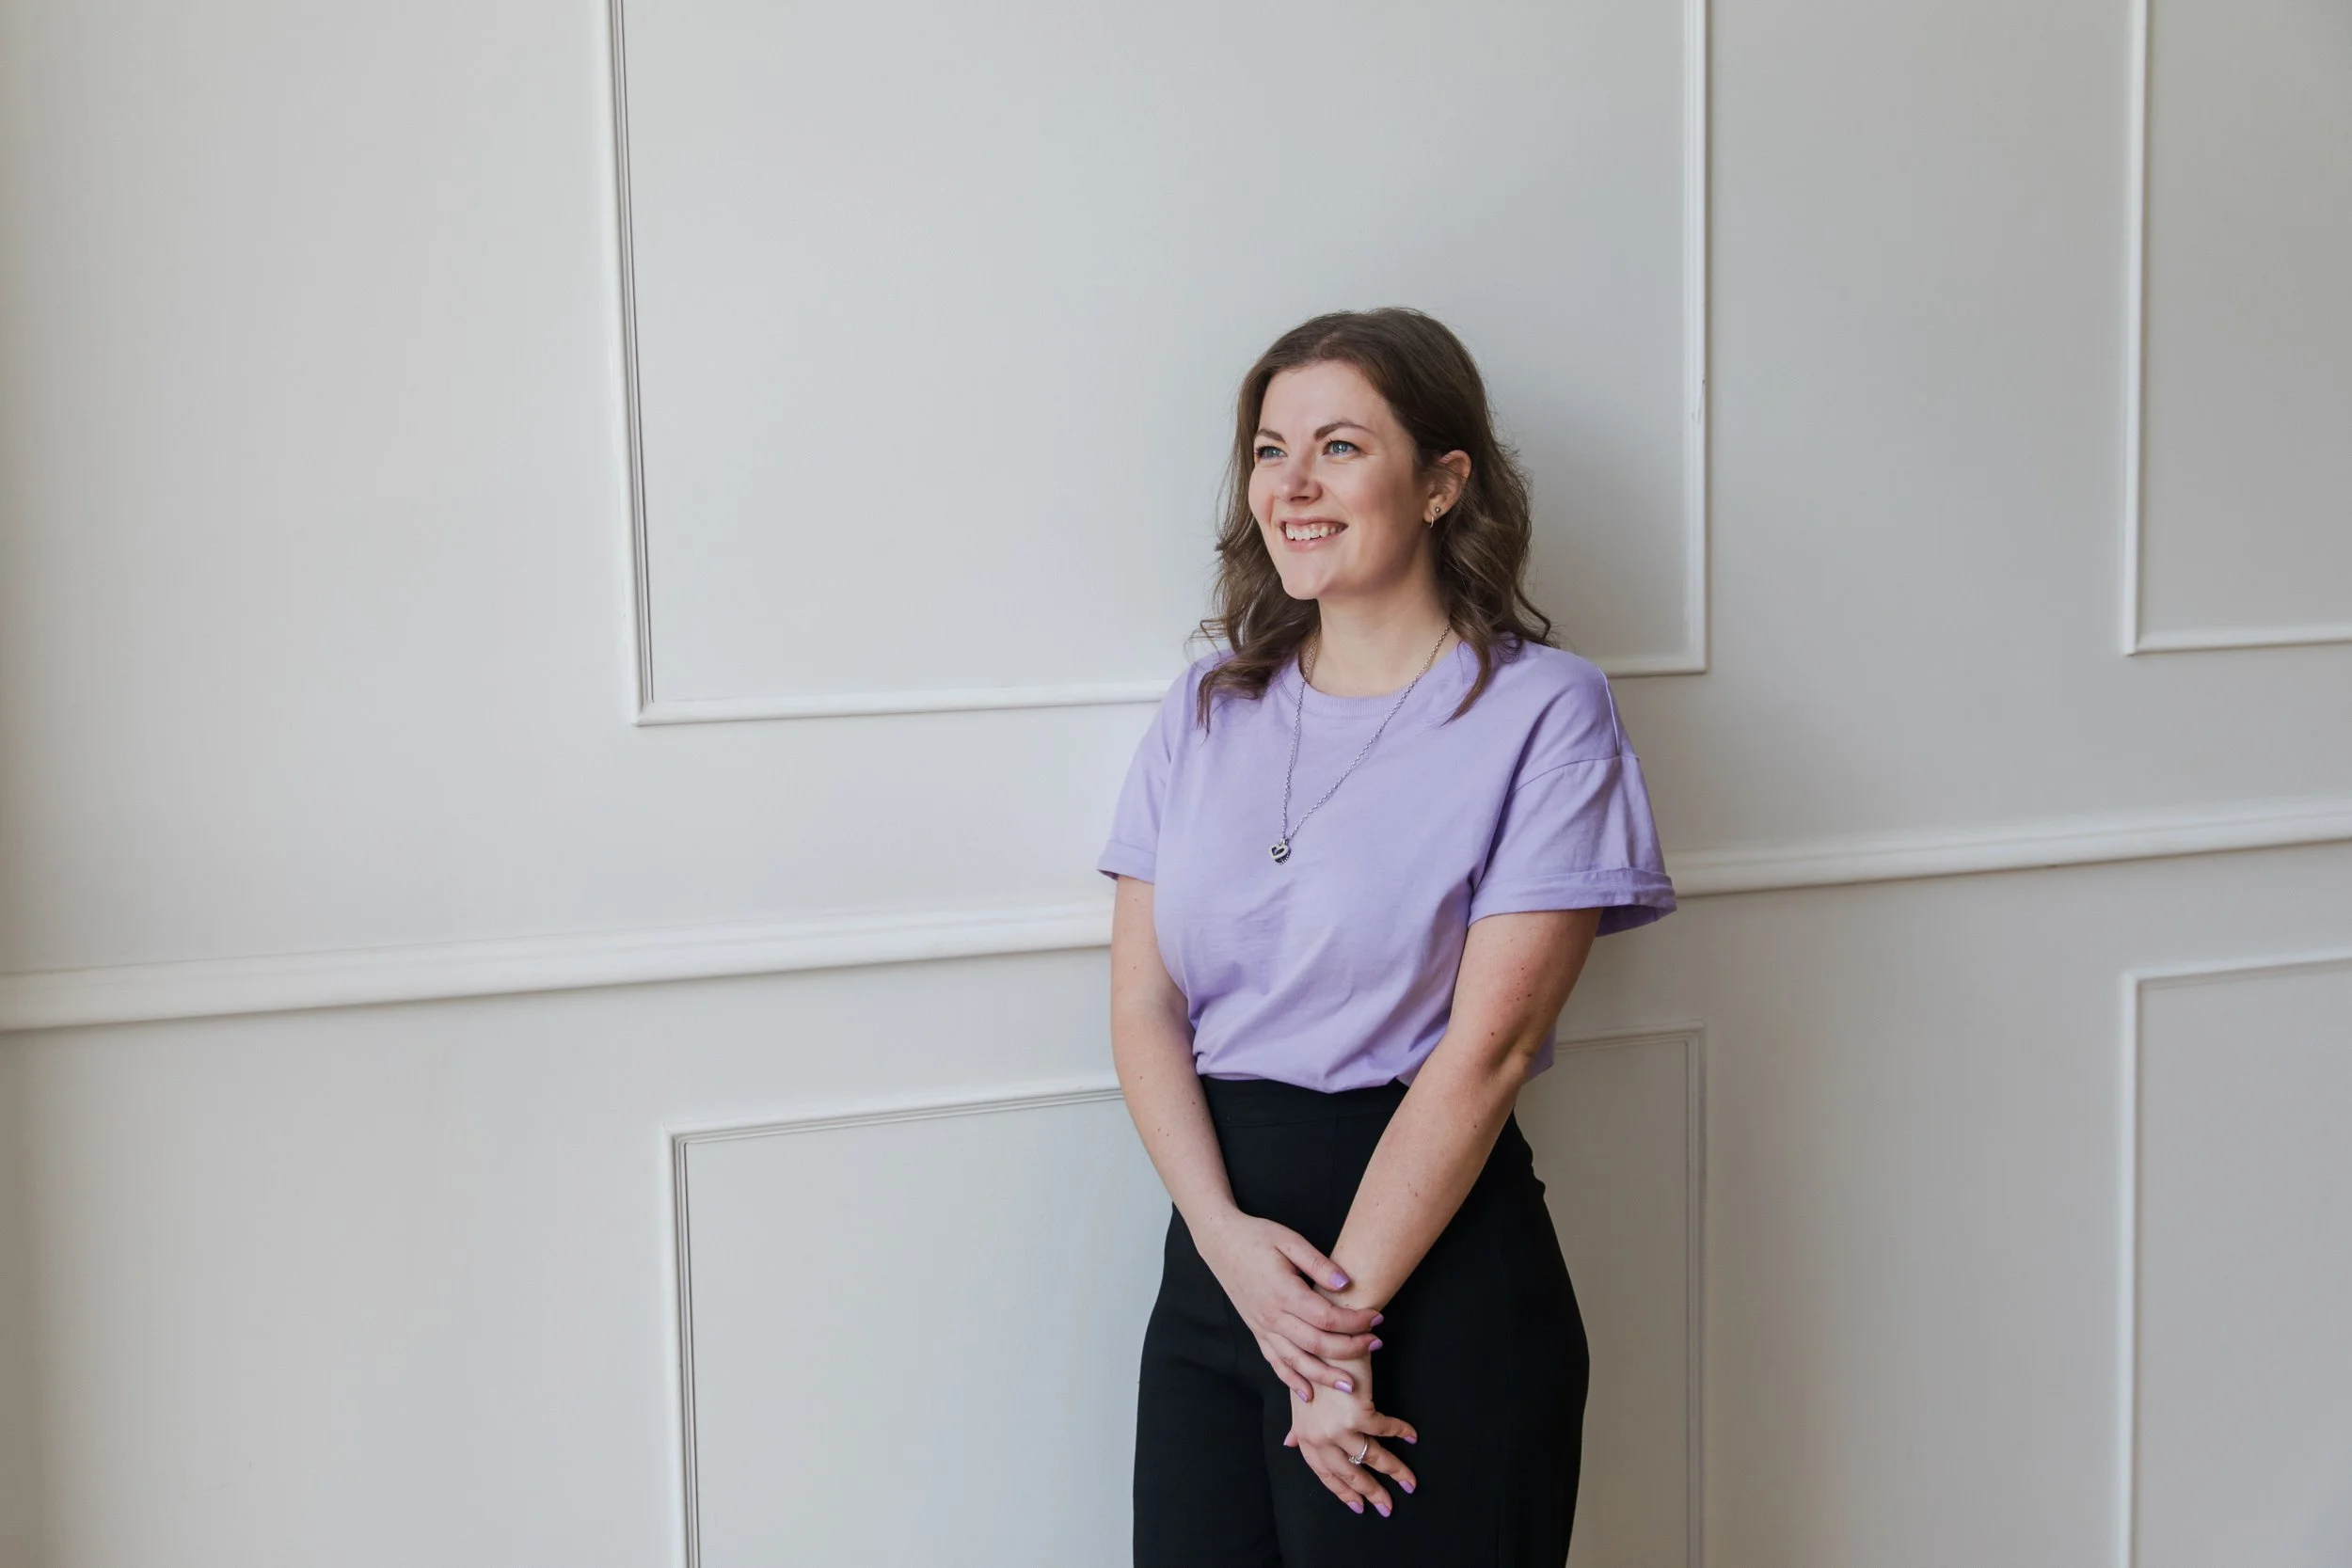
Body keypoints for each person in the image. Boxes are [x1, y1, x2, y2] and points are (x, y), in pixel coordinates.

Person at [1098, 308, 1677, 1566]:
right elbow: (1143, 1003)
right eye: (1270, 450)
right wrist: (1224, 1245)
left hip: (1429, 1274)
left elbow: (1491, 1049)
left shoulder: (1545, 710)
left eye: (1341, 446)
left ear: (1442, 482)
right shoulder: (1206, 705)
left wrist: (1333, 1337)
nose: (1292, 484)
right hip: (1222, 1270)